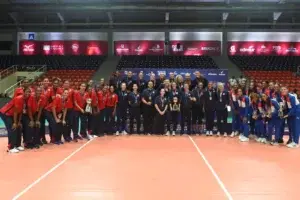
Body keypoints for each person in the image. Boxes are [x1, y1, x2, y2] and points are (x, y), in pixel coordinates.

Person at [0, 88, 31, 153]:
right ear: (23, 92)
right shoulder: (19, 98)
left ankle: (17, 145)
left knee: (19, 127)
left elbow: (20, 112)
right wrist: (14, 122)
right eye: (26, 92)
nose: (28, 93)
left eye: (29, 92)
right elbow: (15, 112)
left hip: (13, 114)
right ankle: (11, 147)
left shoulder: (25, 100)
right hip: (6, 114)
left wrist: (19, 122)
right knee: (13, 128)